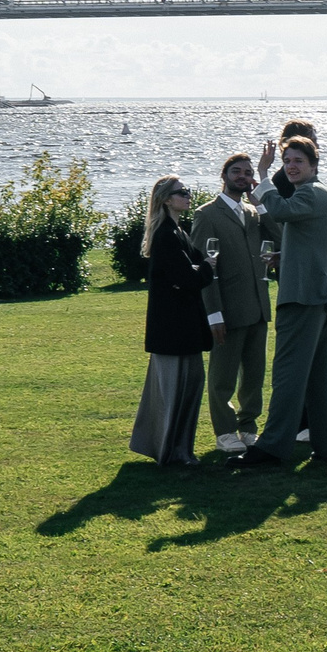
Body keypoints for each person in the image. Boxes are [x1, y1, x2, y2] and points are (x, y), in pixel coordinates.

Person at [233, 136, 327, 468]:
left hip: (303, 298)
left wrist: (264, 174)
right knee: (317, 379)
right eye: (287, 161)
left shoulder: (312, 193)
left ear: (313, 165)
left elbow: (279, 210)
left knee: (287, 374)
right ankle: (326, 450)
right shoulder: (316, 195)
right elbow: (308, 237)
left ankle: (272, 448)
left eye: (298, 161)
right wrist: (286, 254)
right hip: (318, 299)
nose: (291, 167)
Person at [192, 152, 277, 454]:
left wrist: (261, 202)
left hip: (257, 307)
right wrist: (213, 313)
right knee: (222, 377)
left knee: (254, 376)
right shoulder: (207, 214)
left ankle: (248, 427)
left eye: (247, 172)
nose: (242, 176)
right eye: (236, 171)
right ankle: (225, 431)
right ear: (224, 175)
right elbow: (205, 268)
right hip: (227, 309)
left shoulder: (253, 213)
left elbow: (278, 236)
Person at [130, 174, 218, 466]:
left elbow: (189, 274)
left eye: (188, 191)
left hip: (181, 327)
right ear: (167, 198)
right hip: (173, 330)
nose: (188, 196)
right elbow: (188, 277)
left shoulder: (178, 231)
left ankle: (178, 449)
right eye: (182, 192)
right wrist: (204, 267)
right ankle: (172, 452)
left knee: (187, 387)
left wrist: (196, 269)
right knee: (174, 392)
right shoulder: (167, 235)